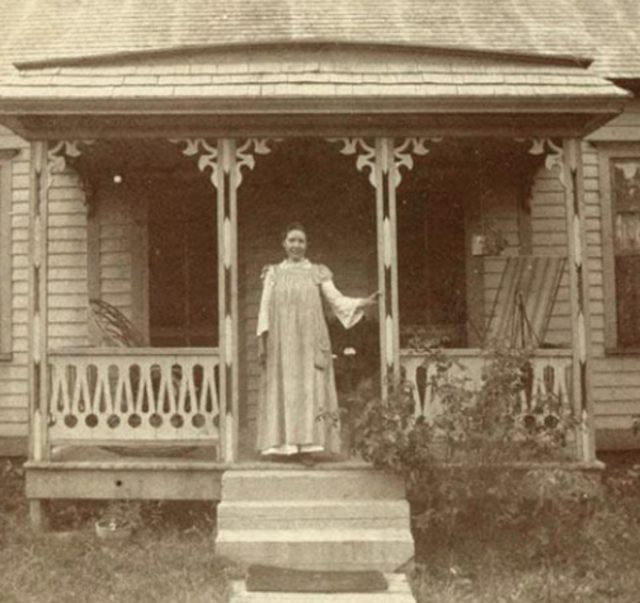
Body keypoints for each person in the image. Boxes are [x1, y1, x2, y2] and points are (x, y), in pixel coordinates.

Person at [256, 222, 379, 466]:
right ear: (284, 243)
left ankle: (309, 447)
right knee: (284, 387)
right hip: (281, 342)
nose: (296, 245)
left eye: (301, 241)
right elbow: (263, 308)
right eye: (292, 240)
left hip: (310, 339)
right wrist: (262, 339)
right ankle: (284, 446)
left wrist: (364, 302)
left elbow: (336, 300)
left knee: (308, 388)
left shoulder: (317, 272)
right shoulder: (273, 273)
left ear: (307, 244)